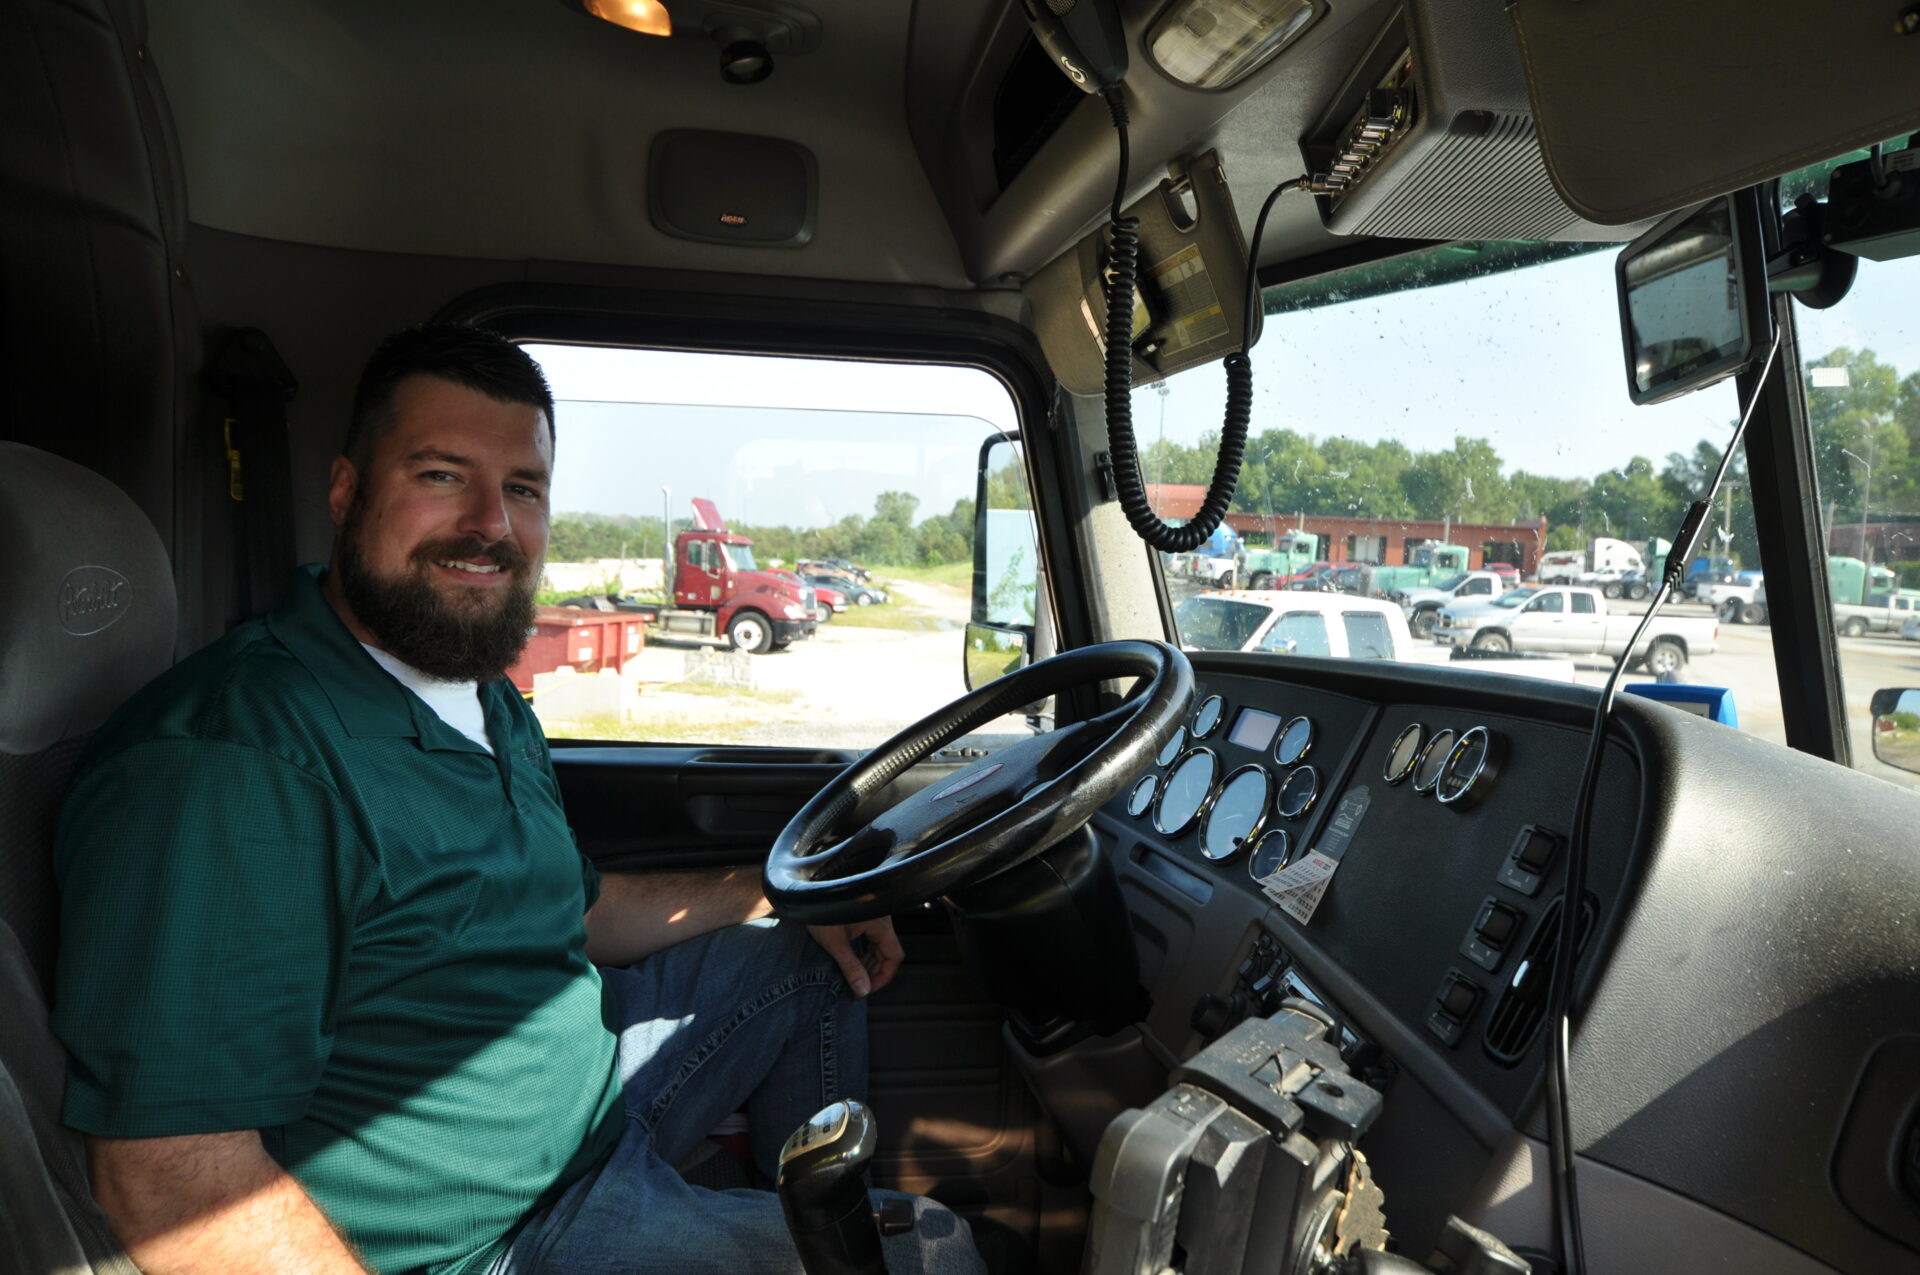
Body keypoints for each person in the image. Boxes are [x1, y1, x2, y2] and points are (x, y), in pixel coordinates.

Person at [50, 325, 984, 1275]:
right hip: (502, 1238)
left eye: (524, 489)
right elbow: (172, 1179)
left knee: (814, 941)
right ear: (346, 492)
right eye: (443, 475)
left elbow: (572, 910)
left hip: (591, 1104)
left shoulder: (475, 687)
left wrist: (773, 890)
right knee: (934, 1257)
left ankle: (793, 1219)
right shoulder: (236, 762)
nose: (492, 523)